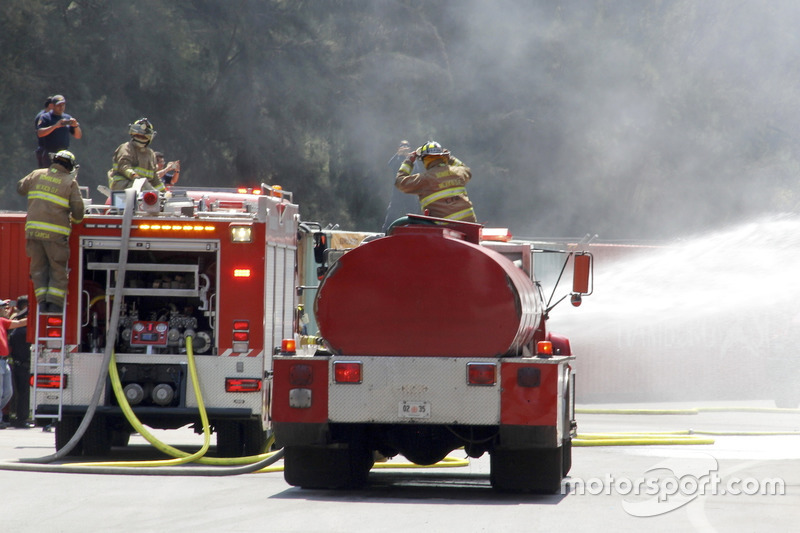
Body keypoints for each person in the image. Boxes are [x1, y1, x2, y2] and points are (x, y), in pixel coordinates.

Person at [17, 150, 85, 314]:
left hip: (33, 232)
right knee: (57, 268)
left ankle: (42, 302)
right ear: (69, 166)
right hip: (55, 234)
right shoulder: (70, 182)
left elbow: (20, 188)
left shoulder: (36, 174)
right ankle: (54, 305)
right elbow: (78, 212)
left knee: (38, 268)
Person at [395, 141, 477, 222]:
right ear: (443, 157)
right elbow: (467, 170)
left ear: (425, 159)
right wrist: (451, 159)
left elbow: (400, 182)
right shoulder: (458, 172)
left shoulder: (425, 179)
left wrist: (409, 161)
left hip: (444, 230)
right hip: (471, 226)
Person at [108, 118, 166, 192]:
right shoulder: (126, 147)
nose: (141, 137)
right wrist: (134, 176)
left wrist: (163, 193)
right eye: (138, 135)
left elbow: (154, 178)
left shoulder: (150, 154)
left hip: (141, 187)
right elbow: (124, 166)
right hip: (122, 187)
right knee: (146, 191)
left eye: (144, 136)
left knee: (151, 195)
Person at [382, 140, 422, 233]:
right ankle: (385, 232)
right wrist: (398, 155)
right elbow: (390, 165)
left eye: (406, 146)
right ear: (398, 148)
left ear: (409, 148)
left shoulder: (412, 160)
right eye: (402, 146)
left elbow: (416, 171)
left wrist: (409, 158)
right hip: (397, 192)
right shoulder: (396, 158)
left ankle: (414, 233)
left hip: (410, 192)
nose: (404, 148)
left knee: (413, 213)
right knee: (392, 214)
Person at [0, 299, 27, 429]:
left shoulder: (2, 321)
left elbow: (19, 323)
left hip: (4, 361)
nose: (6, 310)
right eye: (3, 308)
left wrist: (34, 317)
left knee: (8, 392)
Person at [35, 94, 82, 168]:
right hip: (50, 153)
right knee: (51, 177)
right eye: (58, 105)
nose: (61, 107)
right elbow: (40, 133)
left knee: (64, 176)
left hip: (64, 153)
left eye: (63, 105)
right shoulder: (45, 117)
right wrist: (55, 126)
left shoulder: (67, 117)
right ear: (52, 106)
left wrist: (75, 125)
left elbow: (78, 136)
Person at [8, 296, 32, 428]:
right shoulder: (23, 329)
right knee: (23, 392)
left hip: (14, 364)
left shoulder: (12, 325)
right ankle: (22, 419)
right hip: (23, 366)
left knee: (14, 393)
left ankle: (14, 418)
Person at [34, 96, 54, 168]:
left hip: (49, 151)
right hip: (44, 150)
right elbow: (40, 133)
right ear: (50, 105)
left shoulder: (50, 117)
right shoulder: (42, 117)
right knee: (46, 174)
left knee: (53, 173)